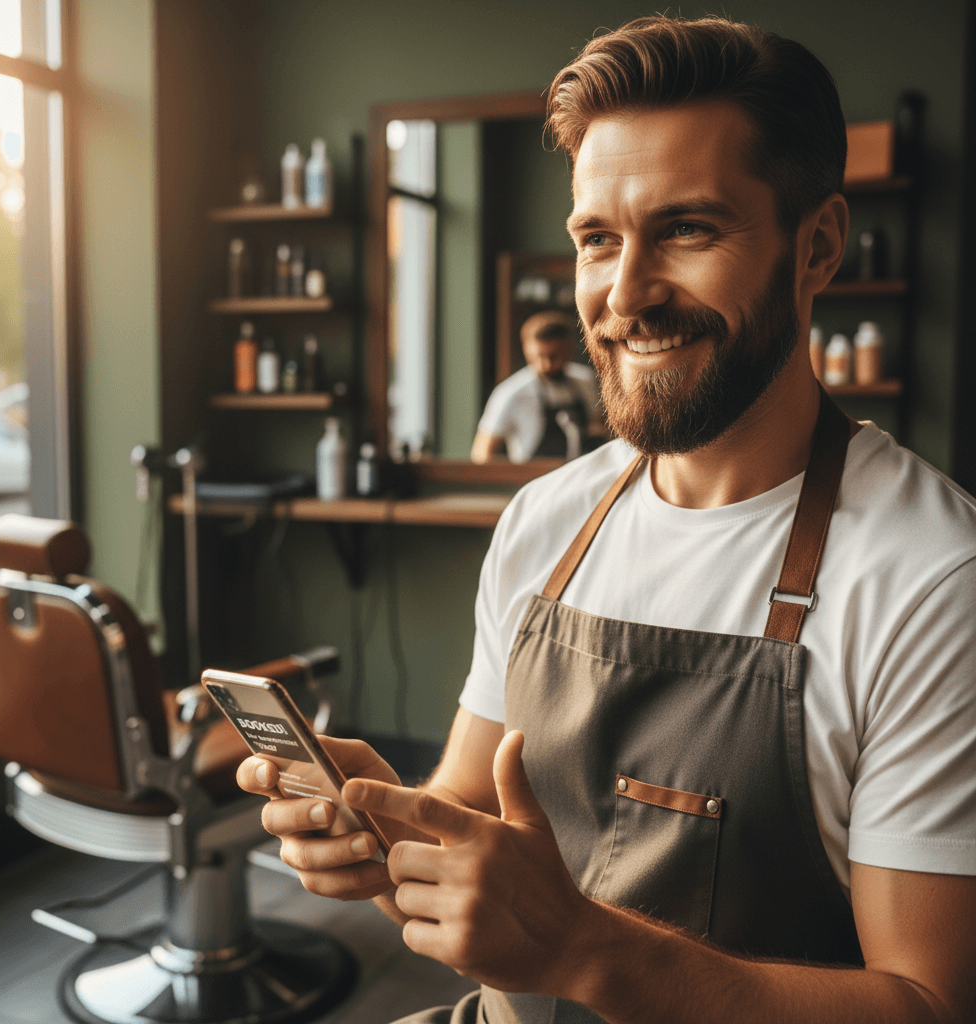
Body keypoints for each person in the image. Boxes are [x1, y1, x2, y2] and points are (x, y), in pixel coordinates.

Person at [238, 15, 976, 1024]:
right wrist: (389, 823)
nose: (624, 296)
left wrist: (589, 952)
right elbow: (469, 803)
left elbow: (927, 1003)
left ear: (818, 248)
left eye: (686, 228)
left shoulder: (931, 578)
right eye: (596, 238)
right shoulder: (546, 519)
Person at [471, 310, 604, 463]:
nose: (546, 365)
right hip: (533, 479)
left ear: (569, 349)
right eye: (539, 356)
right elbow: (482, 454)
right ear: (526, 350)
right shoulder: (511, 392)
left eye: (555, 356)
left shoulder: (585, 380)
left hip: (580, 474)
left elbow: (597, 426)